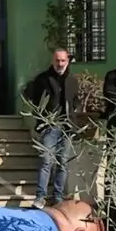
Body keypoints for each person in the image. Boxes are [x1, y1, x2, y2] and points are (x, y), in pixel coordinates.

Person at [24, 48, 79, 208]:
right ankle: (40, 197)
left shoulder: (72, 80)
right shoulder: (43, 79)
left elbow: (75, 100)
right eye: (57, 60)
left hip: (67, 127)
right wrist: (40, 117)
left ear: (67, 61)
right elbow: (31, 97)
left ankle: (58, 197)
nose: (60, 64)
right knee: (46, 161)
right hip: (50, 126)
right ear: (52, 61)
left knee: (63, 163)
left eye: (63, 61)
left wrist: (75, 112)